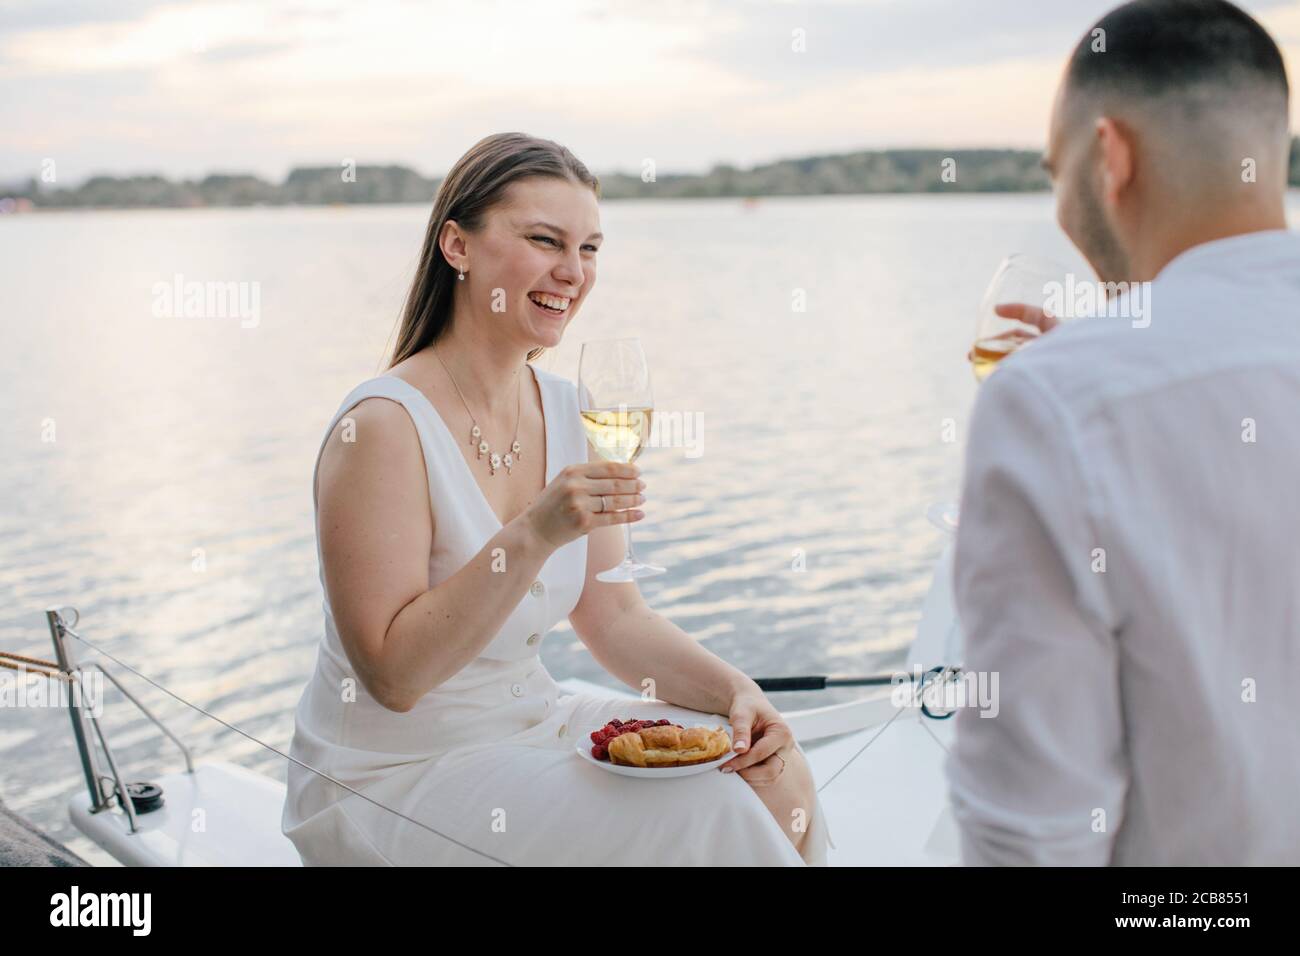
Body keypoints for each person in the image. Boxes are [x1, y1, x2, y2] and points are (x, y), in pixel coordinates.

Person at [281, 132, 833, 866]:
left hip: (532, 721)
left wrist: (740, 695)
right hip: (393, 775)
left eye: (591, 249)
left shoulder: (574, 410)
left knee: (773, 771)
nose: (572, 273)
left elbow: (615, 616)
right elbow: (394, 678)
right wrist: (535, 532)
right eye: (546, 240)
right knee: (700, 805)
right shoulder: (381, 429)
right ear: (458, 246)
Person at [946, 0, 1300, 865]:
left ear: (1109, 156)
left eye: (1053, 170)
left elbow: (1030, 831)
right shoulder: (1082, 395)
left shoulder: (1051, 405)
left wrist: (1092, 392)